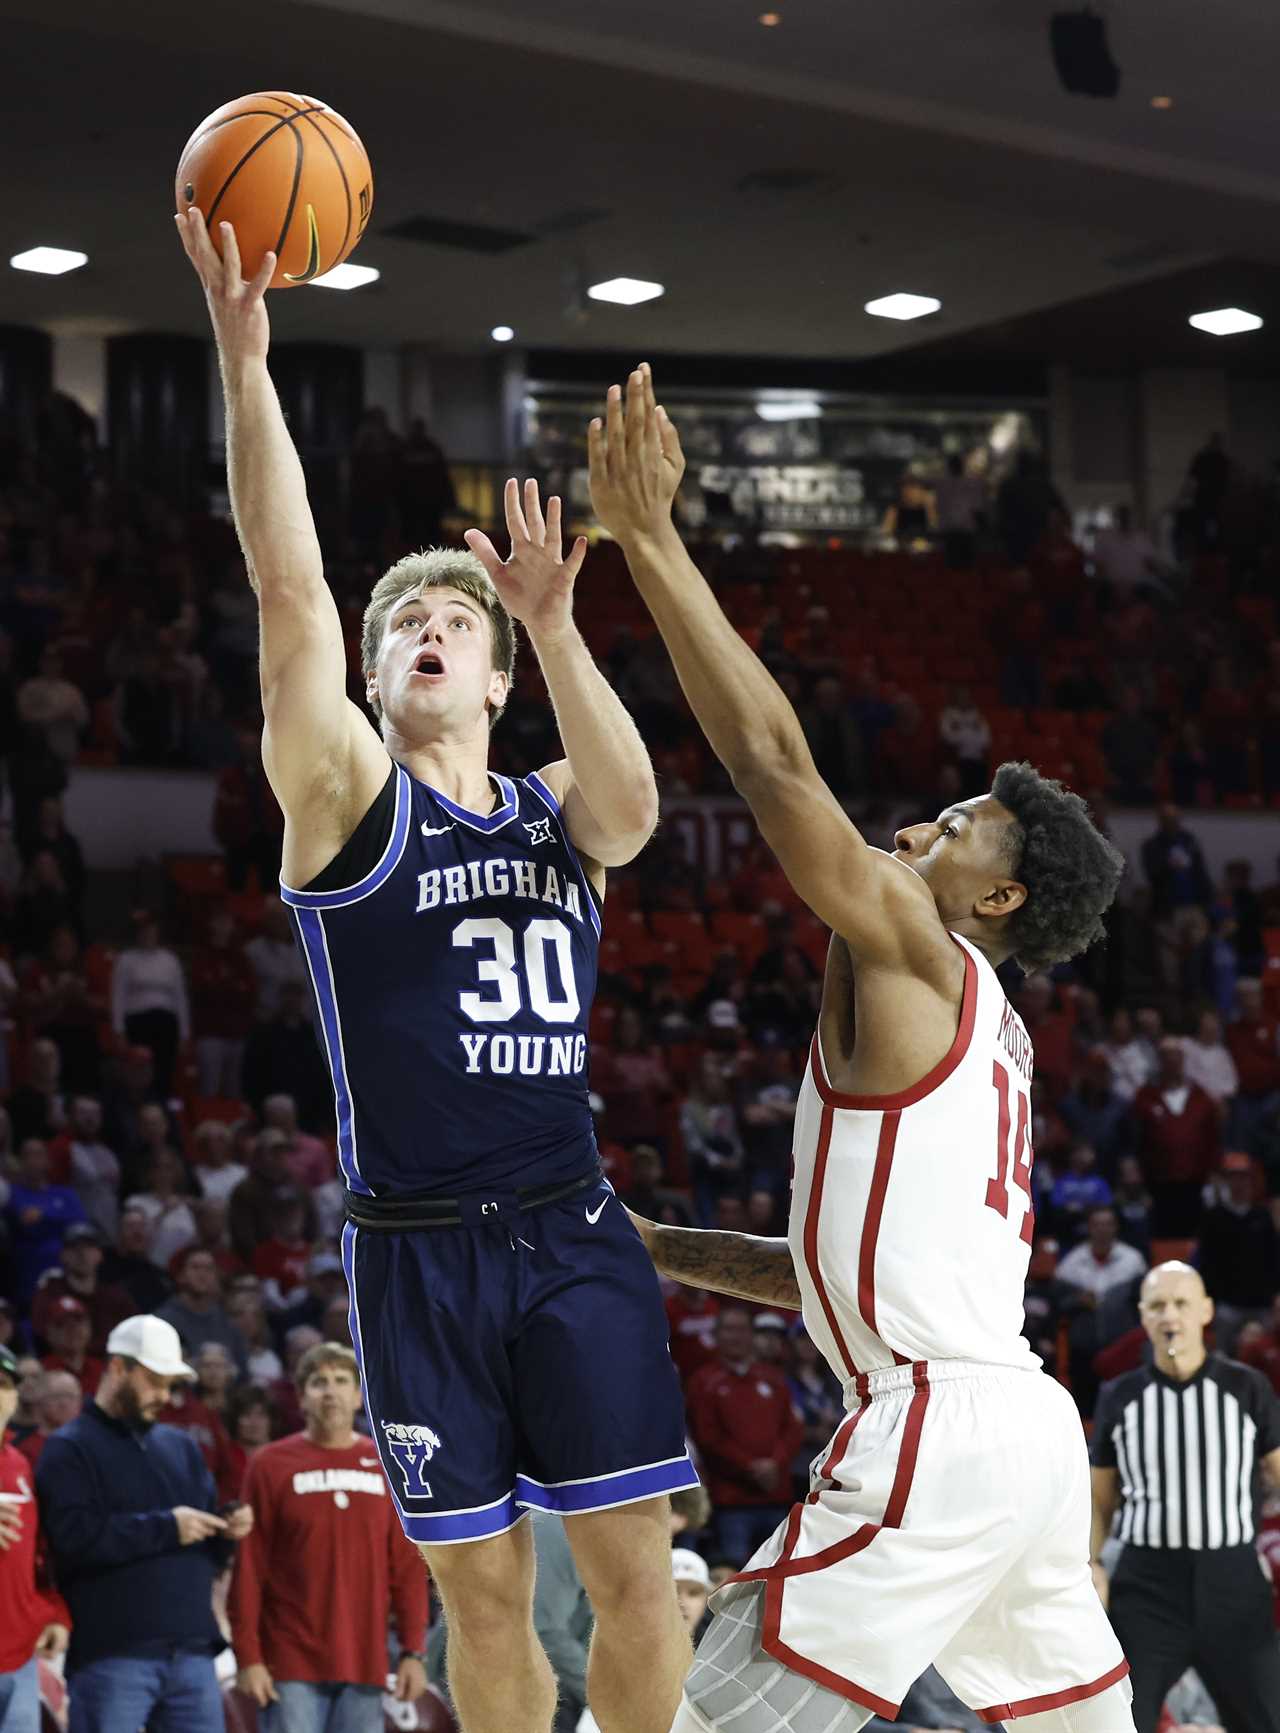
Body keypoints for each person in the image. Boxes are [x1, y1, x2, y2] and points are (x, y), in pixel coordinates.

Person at [176, 212, 697, 1733]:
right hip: (415, 1249)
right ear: (375, 665)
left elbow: (636, 812)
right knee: (479, 1599)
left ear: (493, 672)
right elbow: (286, 590)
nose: (423, 629)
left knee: (639, 1579)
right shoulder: (348, 795)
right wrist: (247, 357)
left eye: (452, 620)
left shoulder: (555, 803)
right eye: (402, 617)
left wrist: (552, 614)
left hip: (569, 1221)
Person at [596, 366, 1134, 1731]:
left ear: (996, 898)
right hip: (1025, 1430)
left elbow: (777, 767)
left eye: (951, 829)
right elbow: (842, 1276)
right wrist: (659, 1244)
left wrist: (652, 543)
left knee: (684, 1722)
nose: (911, 835)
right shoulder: (994, 1036)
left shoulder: (913, 949)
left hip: (939, 1429)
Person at [35, 1314, 254, 1733]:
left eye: (171, 1384)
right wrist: (169, 1527)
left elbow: (206, 1550)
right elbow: (74, 1539)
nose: (164, 1395)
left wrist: (227, 1532)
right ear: (119, 1368)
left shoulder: (182, 1447)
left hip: (192, 1651)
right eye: (154, 1381)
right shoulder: (69, 1448)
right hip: (113, 1654)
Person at [1090, 1263, 1280, 1733]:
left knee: (1265, 1716)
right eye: (1157, 1305)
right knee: (1121, 1720)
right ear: (1143, 1316)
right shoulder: (1120, 1395)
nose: (1169, 1315)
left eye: (1180, 1303)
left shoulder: (1247, 1388)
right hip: (1145, 1586)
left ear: (1206, 1311)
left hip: (1233, 1580)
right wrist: (1092, 1563)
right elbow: (1100, 1499)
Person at [229, 1341, 428, 1728]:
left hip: (365, 1662)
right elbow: (250, 1568)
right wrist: (248, 1656)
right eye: (319, 1382)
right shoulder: (269, 1465)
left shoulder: (386, 1466)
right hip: (288, 1662)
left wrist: (412, 1651)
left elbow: (407, 1570)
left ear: (358, 1397)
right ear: (301, 1397)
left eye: (341, 1381)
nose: (330, 1391)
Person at [684, 1307, 802, 1565]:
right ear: (716, 1335)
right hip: (732, 1501)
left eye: (742, 1329)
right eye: (728, 1329)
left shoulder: (773, 1378)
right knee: (736, 1577)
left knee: (781, 1571)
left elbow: (792, 1429)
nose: (736, 1336)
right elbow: (707, 1438)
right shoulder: (703, 1381)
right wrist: (751, 1468)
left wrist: (775, 1464)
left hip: (777, 1496)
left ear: (752, 1334)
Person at [0, 1343, 71, 1733]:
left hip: (18, 1656)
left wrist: (54, 1613)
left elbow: (39, 1555)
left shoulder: (20, 1463)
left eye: (4, 1384)